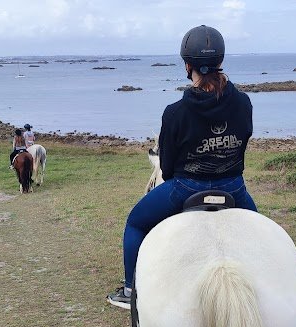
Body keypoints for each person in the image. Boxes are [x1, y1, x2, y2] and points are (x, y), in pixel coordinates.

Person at [107, 25, 258, 309]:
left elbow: (167, 166)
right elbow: (243, 143)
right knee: (260, 232)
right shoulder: (244, 103)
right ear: (220, 61)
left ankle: (129, 290)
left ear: (188, 66)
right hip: (234, 188)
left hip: (186, 187)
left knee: (135, 223)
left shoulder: (175, 112)